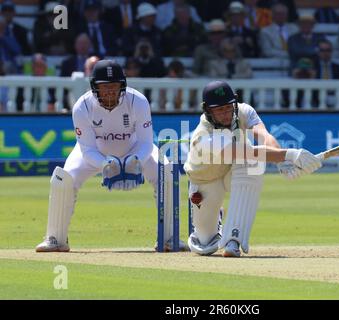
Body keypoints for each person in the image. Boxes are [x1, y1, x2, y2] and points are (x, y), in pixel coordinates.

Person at [35, 60, 187, 253]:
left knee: (166, 172)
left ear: (122, 86)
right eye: (104, 87)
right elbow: (87, 150)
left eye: (114, 87)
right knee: (63, 179)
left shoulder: (138, 101)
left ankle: (169, 238)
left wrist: (135, 160)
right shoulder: (82, 107)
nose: (109, 92)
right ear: (94, 87)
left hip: (134, 148)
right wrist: (106, 163)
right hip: (96, 152)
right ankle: (56, 239)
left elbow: (146, 143)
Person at [184, 80, 322, 257]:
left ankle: (234, 239)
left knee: (252, 164)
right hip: (205, 180)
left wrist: (282, 162)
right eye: (219, 110)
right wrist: (289, 155)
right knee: (205, 244)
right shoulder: (204, 136)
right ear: (208, 111)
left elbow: (264, 136)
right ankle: (214, 220)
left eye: (228, 108)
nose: (226, 115)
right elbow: (245, 152)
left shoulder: (244, 111)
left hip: (232, 171)